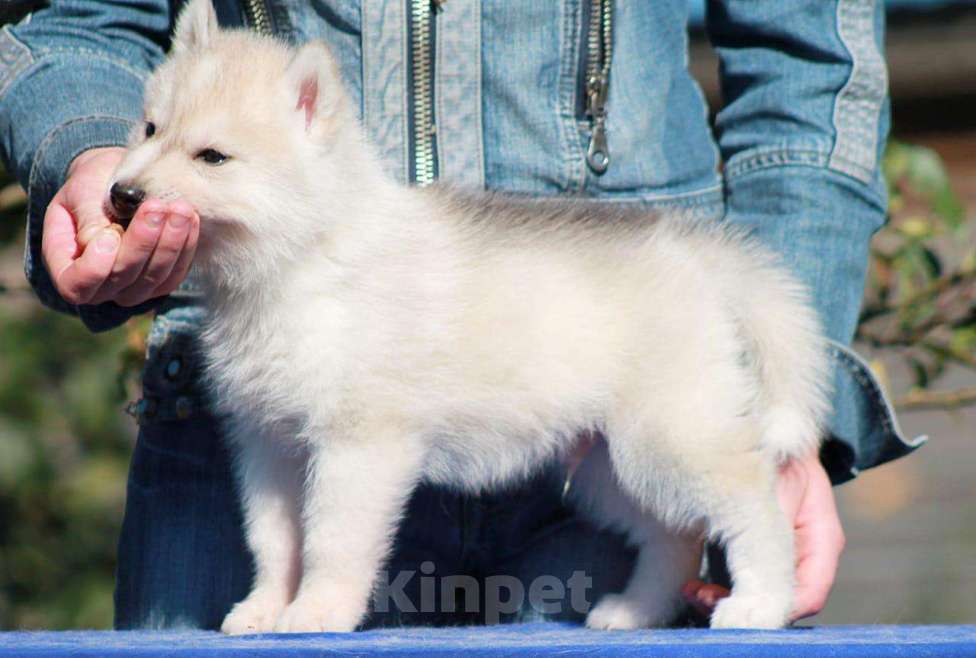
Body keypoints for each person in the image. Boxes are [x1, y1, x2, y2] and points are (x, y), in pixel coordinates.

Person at [0, 0, 923, 630]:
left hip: (609, 301)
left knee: (668, 454)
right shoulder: (249, 274)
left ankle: (738, 561)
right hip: (202, 476)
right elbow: (85, 23)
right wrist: (79, 149)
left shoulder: (352, 267)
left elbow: (815, 69)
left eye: (204, 156)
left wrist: (792, 414)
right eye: (152, 134)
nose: (143, 171)